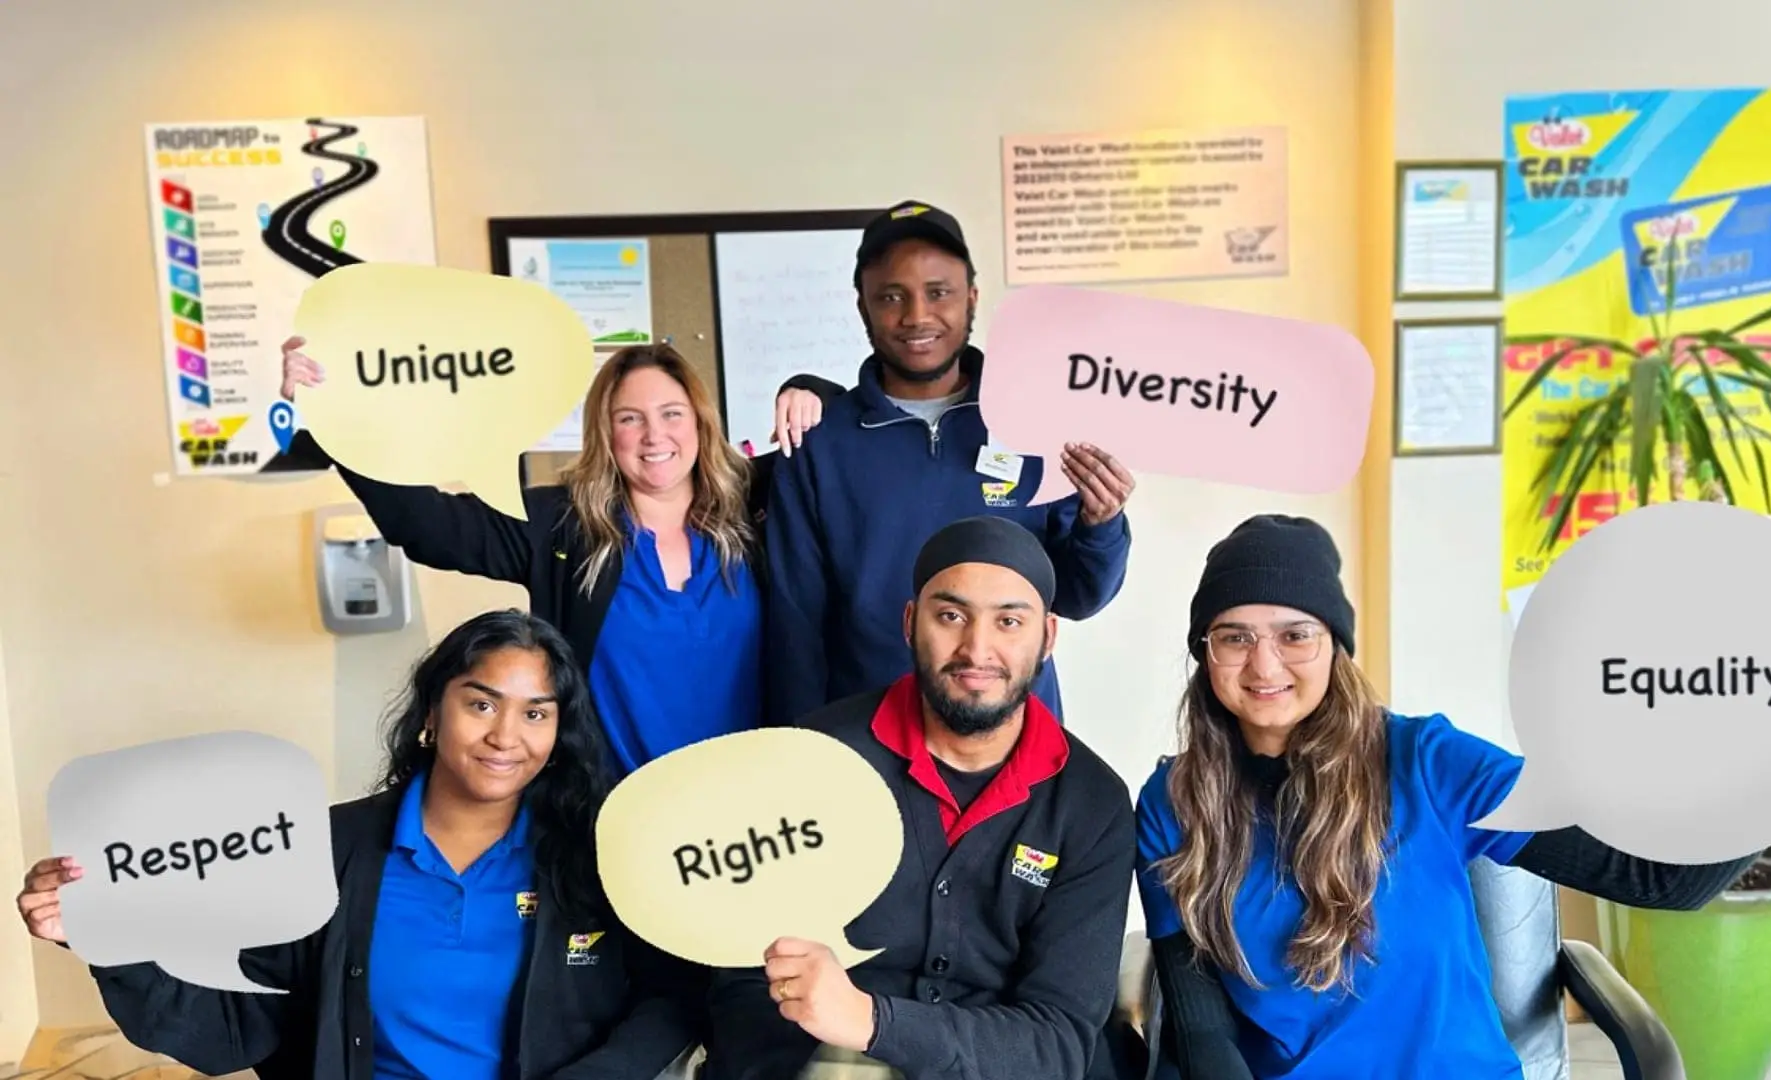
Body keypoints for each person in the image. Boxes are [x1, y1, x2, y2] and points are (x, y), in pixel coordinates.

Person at [1133, 514, 1771, 1079]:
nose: (1264, 662)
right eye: (1234, 636)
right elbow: (1201, 1027)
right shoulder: (1173, 803)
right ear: (1205, 653)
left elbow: (1662, 877)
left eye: (1295, 633)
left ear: (1335, 645)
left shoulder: (1427, 763)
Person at [16, 609, 701, 1080]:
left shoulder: (596, 857)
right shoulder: (322, 851)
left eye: (536, 714)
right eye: (482, 703)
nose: (506, 737)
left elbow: (669, 1000)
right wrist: (108, 938)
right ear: (433, 711)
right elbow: (236, 1020)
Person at [705, 516, 1138, 1080]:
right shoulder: (813, 756)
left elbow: (1059, 1039)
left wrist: (873, 1021)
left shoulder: (1092, 803)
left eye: (1009, 621)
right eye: (951, 616)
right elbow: (742, 971)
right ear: (911, 623)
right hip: (827, 1060)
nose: (976, 648)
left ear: (1048, 638)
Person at [278, 338, 841, 770]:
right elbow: (427, 526)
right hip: (611, 816)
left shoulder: (761, 505)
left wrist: (809, 386)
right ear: (605, 431)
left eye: (671, 413)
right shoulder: (561, 524)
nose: (654, 435)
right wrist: (337, 416)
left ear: (699, 421)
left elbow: (859, 426)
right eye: (630, 418)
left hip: (757, 811)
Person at [761, 200, 1137, 729]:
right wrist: (801, 747)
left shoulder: (1037, 422)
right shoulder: (819, 444)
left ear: (971, 299)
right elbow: (795, 626)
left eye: (938, 292)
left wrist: (1101, 523)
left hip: (1014, 738)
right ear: (863, 306)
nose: (917, 316)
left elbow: (1077, 596)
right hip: (871, 742)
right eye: (892, 296)